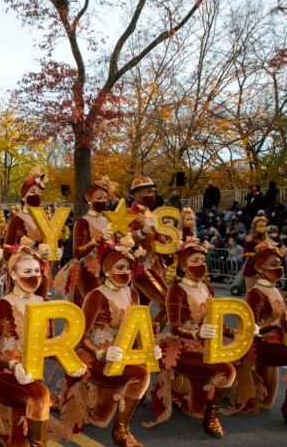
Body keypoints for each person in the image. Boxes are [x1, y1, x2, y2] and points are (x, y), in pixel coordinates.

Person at [66, 236, 160, 446]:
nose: (125, 272)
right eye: (119, 266)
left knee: (101, 415)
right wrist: (101, 353)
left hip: (123, 355)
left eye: (128, 267)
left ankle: (116, 414)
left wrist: (150, 349)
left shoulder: (133, 294)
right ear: (107, 269)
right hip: (96, 357)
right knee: (141, 375)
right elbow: (80, 337)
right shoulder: (95, 296)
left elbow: (137, 332)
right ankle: (121, 431)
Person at [148, 238, 237, 438]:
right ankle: (211, 416)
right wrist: (196, 334)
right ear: (183, 264)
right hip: (183, 349)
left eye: (202, 260)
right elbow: (175, 327)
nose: (200, 264)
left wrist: (240, 333)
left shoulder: (208, 289)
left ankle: (185, 393)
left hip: (206, 346)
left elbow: (218, 324)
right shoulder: (176, 290)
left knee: (196, 407)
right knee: (226, 370)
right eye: (194, 260)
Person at [0, 242, 64, 447]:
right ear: (13, 275)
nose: (34, 275)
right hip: (5, 375)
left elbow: (53, 344)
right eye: (27, 271)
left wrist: (75, 359)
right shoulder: (2, 305)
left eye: (37, 271)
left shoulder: (44, 303)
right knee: (39, 395)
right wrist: (13, 365)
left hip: (34, 375)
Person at [238, 244, 287, 431]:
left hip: (278, 345)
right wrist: (277, 324)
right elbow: (251, 330)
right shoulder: (255, 294)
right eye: (273, 263)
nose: (279, 267)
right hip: (261, 347)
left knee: (265, 403)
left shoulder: (279, 292)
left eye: (279, 263)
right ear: (260, 268)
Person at [3, 168, 62, 301]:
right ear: (23, 197)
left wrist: (57, 251)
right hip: (23, 274)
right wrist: (28, 249)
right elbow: (6, 251)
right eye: (33, 191)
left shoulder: (46, 218)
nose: (37, 195)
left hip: (43, 271)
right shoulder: (16, 219)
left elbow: (53, 243)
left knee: (41, 309)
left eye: (40, 192)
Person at [57, 176, 116, 306]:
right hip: (89, 271)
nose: (103, 201)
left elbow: (116, 243)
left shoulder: (109, 219)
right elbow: (77, 253)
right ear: (90, 200)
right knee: (97, 309)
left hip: (110, 271)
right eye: (99, 198)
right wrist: (95, 241)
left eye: (105, 198)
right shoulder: (82, 222)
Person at [127, 176, 169, 329]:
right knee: (168, 301)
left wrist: (168, 238)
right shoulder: (128, 213)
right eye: (148, 191)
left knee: (140, 308)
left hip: (154, 265)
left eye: (153, 191)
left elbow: (159, 241)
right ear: (137, 194)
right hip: (139, 267)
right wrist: (142, 232)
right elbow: (123, 238)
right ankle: (150, 334)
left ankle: (136, 339)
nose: (152, 194)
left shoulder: (152, 214)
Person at [242, 215, 269, 291]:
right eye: (260, 226)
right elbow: (245, 253)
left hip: (262, 267)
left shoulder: (266, 238)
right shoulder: (250, 237)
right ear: (255, 226)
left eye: (264, 226)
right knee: (251, 292)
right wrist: (256, 254)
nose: (262, 227)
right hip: (251, 267)